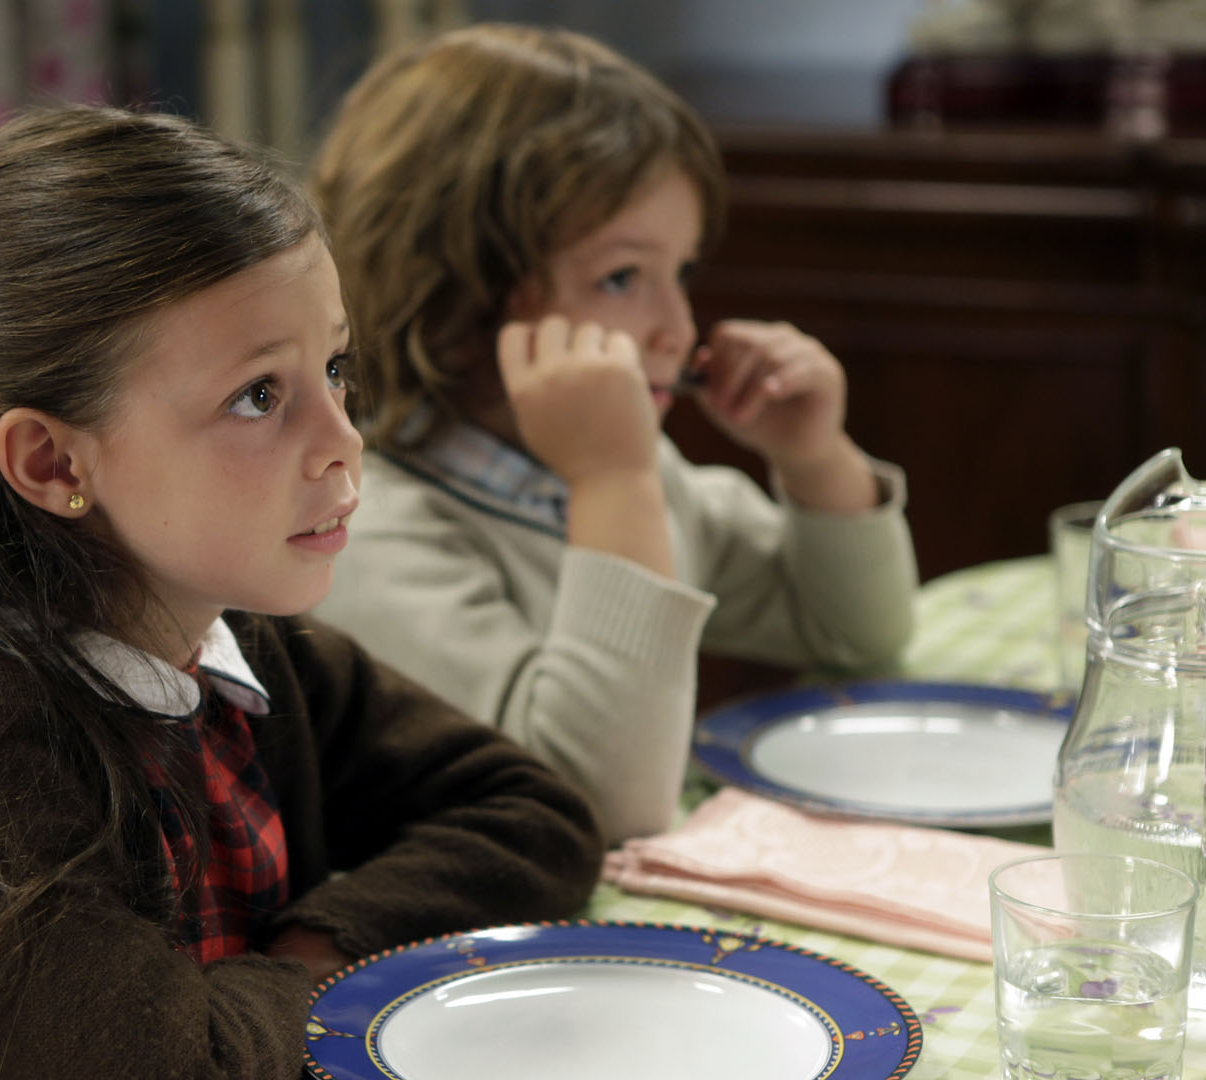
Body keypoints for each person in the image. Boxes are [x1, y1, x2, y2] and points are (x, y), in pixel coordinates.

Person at [0, 105, 602, 1080]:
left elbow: (537, 815)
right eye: (258, 397)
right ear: (53, 461)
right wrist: (315, 990)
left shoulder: (238, 650)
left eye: (334, 369)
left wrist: (318, 944)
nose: (343, 441)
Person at [308, 25, 918, 845]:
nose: (679, 327)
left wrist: (813, 457)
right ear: (453, 302)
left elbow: (857, 633)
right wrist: (613, 485)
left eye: (683, 271)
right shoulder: (368, 538)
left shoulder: (637, 472)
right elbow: (598, 805)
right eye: (623, 277)